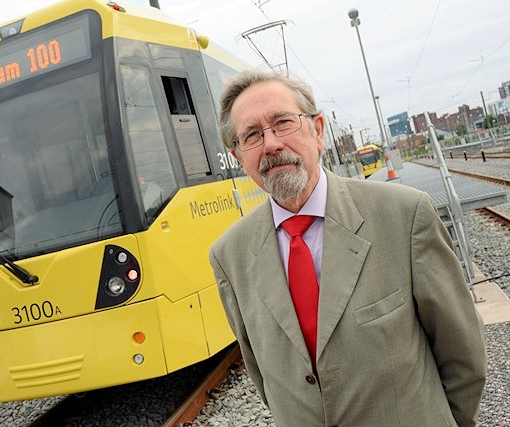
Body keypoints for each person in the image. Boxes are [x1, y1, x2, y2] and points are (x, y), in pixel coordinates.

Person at [208, 70, 486, 426]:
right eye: (252, 135)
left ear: (318, 129)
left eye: (283, 123)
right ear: (238, 156)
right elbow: (265, 377)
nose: (271, 143)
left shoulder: (403, 216)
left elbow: (463, 352)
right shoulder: (229, 256)